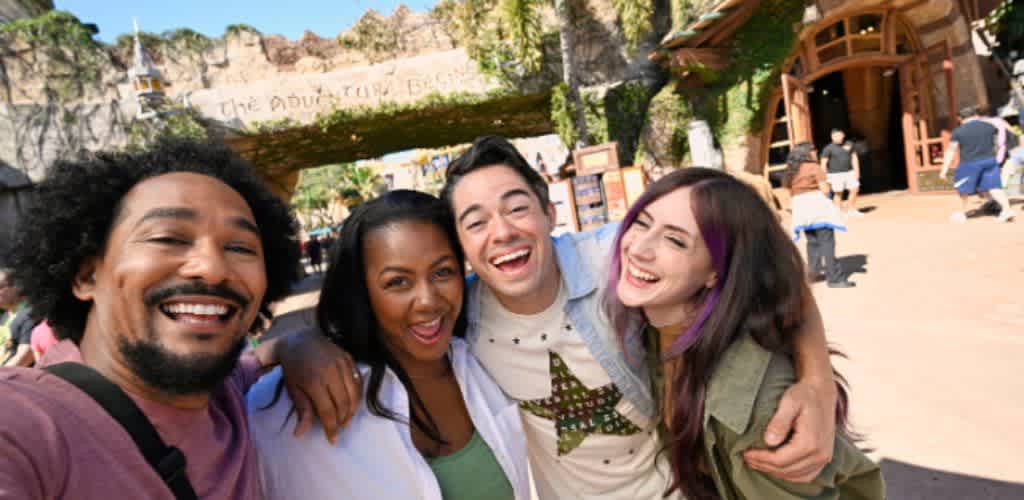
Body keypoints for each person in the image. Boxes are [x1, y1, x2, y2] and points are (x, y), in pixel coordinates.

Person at [321, 136, 845, 499]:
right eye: (475, 222)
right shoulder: (461, 313)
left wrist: (817, 383)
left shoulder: (619, 259)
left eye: (517, 208)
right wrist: (294, 348)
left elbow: (767, 273)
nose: (501, 232)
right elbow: (368, 324)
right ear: (460, 248)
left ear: (550, 212)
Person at [0, 140, 359, 499]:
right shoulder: (25, 422)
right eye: (168, 237)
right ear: (87, 276)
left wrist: (298, 344)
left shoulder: (229, 393)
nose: (213, 268)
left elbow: (259, 358)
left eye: (239, 248)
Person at [606, 167, 884, 499]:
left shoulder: (757, 413)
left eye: (676, 240)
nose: (639, 249)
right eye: (641, 222)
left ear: (715, 271)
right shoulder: (660, 323)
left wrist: (817, 383)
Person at [249, 190, 530, 499]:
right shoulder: (287, 408)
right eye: (397, 282)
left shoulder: (489, 357)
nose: (428, 301)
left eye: (442, 272)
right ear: (361, 290)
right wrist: (287, 346)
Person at [785, 143, 854, 288]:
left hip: (801, 209)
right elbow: (824, 189)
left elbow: (790, 193)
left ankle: (814, 273)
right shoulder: (814, 167)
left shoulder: (792, 170)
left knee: (812, 242)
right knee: (827, 242)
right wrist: (829, 194)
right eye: (814, 150)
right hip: (817, 206)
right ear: (807, 152)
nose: (816, 152)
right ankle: (834, 278)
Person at [940, 106, 1016, 223]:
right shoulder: (989, 126)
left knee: (963, 188)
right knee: (994, 187)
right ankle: (1007, 210)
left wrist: (944, 169)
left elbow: (951, 150)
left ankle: (961, 213)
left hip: (969, 163)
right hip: (990, 161)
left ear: (959, 118)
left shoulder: (958, 131)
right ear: (975, 115)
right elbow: (999, 140)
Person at [819, 129, 863, 217]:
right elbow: (823, 163)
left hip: (849, 172)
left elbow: (854, 158)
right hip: (835, 174)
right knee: (838, 193)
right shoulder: (828, 148)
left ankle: (851, 209)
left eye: (839, 135)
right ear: (832, 137)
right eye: (835, 136)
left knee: (855, 189)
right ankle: (838, 212)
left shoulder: (849, 144)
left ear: (843, 135)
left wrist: (857, 171)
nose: (837, 138)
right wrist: (824, 176)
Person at [0, 270, 38, 367]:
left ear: (17, 286)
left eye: (0, 286)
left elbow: (26, 355)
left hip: (12, 378)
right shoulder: (6, 315)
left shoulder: (31, 313)